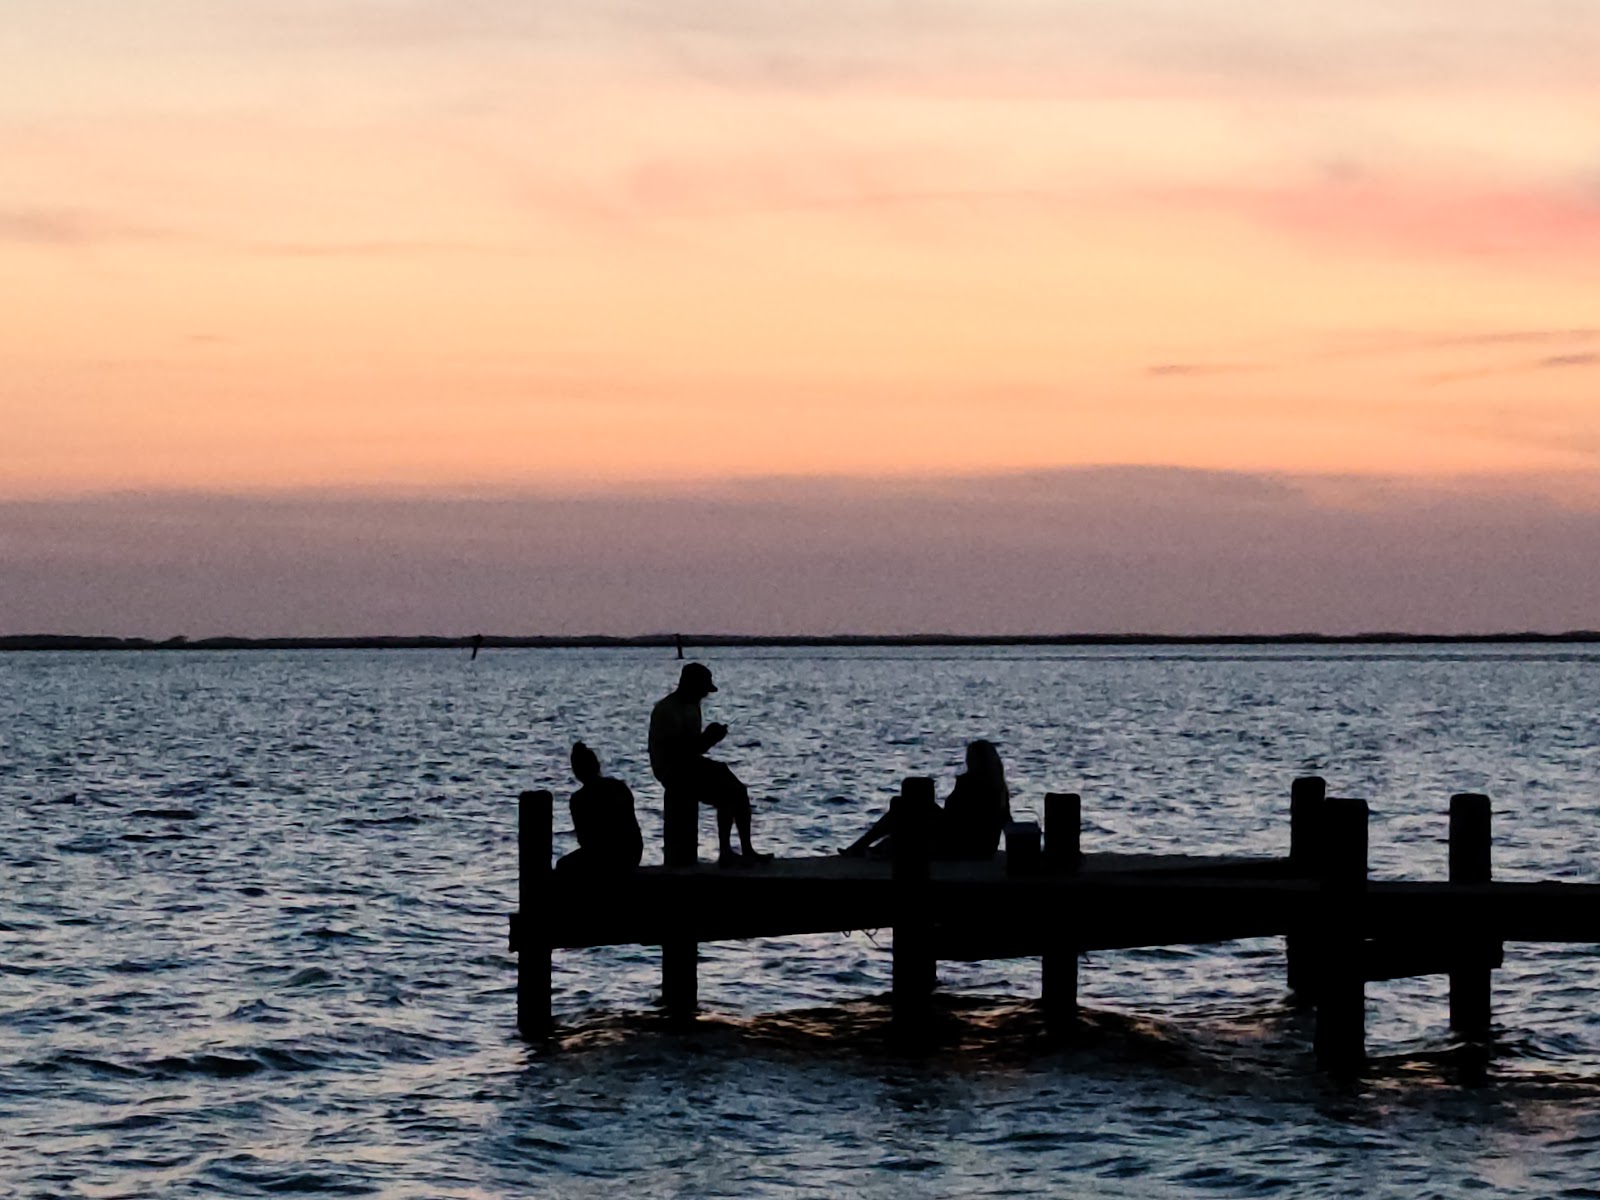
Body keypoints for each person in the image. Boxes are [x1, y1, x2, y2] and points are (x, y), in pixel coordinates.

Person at [648, 662, 773, 867]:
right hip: (672, 770)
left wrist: (709, 739)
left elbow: (693, 750)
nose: (705, 695)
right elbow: (678, 751)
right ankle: (725, 852)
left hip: (689, 764)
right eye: (703, 689)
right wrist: (708, 738)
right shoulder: (666, 710)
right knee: (726, 793)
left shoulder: (693, 706)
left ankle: (746, 849)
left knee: (738, 790)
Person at [839, 739, 1012, 861]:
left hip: (961, 845)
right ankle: (868, 848)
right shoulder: (998, 788)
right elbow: (1007, 822)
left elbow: (955, 818)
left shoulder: (971, 784)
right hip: (979, 848)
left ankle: (861, 847)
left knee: (903, 807)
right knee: (907, 811)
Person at [555, 741, 643, 874]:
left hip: (605, 857)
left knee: (562, 866)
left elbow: (584, 840)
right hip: (632, 853)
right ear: (597, 765)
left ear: (576, 771)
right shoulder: (619, 787)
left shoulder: (579, 799)